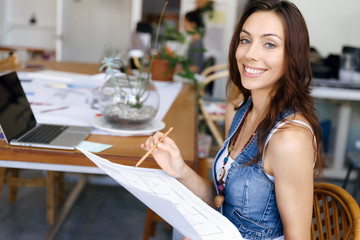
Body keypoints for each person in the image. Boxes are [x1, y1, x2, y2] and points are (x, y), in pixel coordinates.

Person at [141, 0, 323, 239]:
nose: (250, 54)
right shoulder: (238, 111)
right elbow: (222, 201)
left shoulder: (289, 140)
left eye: (269, 44)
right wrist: (180, 169)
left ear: (293, 55)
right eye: (245, 40)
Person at [184, 8, 205, 73]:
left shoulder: (197, 43)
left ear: (193, 24)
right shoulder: (193, 41)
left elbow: (196, 68)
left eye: (185, 23)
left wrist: (179, 70)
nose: (184, 26)